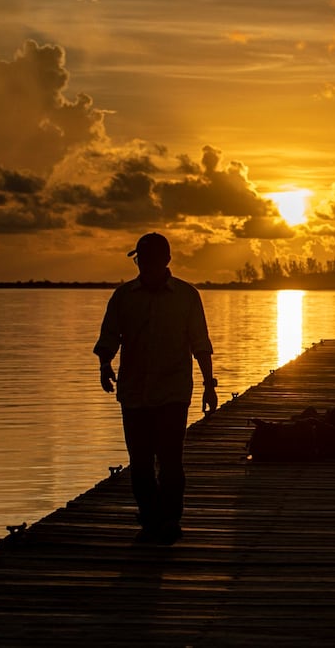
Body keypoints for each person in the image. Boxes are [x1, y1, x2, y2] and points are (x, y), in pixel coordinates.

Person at [93, 232, 217, 545]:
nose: (143, 265)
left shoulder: (186, 296)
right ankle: (149, 518)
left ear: (165, 260)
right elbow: (109, 338)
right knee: (141, 462)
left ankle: (171, 519)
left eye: (148, 259)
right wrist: (105, 366)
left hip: (173, 393)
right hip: (134, 394)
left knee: (172, 461)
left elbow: (200, 343)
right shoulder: (124, 297)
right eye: (140, 260)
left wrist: (208, 384)